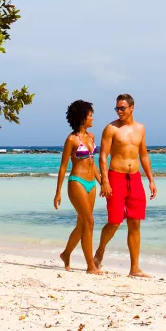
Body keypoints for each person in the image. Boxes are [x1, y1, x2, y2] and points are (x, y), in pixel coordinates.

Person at [94, 93, 157, 277]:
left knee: (135, 223)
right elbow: (103, 156)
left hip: (135, 177)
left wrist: (151, 180)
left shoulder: (141, 128)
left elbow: (143, 155)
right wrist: (105, 181)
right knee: (114, 221)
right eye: (117, 108)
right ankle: (100, 251)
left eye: (122, 108)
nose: (119, 111)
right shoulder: (111, 128)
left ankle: (134, 268)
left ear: (132, 108)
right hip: (116, 176)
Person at [54, 99, 102, 274]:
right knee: (90, 221)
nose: (92, 119)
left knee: (83, 224)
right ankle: (91, 266)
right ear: (82, 117)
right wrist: (58, 192)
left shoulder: (92, 137)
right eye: (90, 115)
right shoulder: (71, 139)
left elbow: (93, 163)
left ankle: (66, 254)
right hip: (77, 182)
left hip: (91, 184)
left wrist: (102, 182)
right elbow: (63, 166)